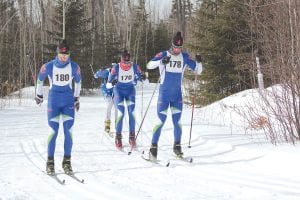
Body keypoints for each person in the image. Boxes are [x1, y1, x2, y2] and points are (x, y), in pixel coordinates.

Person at [146, 31, 203, 160]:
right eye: (175, 47)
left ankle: (177, 146)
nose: (177, 50)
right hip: (164, 96)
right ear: (171, 45)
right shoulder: (164, 54)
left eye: (179, 48)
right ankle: (153, 148)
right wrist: (161, 62)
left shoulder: (185, 57)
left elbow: (198, 71)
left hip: (177, 96)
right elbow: (149, 65)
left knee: (177, 122)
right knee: (161, 120)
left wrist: (199, 62)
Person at [34, 39, 81, 175]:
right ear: (57, 53)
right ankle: (50, 162)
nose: (63, 57)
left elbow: (78, 83)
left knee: (68, 132)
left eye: (66, 55)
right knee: (53, 132)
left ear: (69, 54)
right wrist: (39, 95)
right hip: (54, 101)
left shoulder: (74, 67)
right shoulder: (48, 66)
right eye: (61, 55)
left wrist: (76, 98)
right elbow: (40, 79)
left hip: (67, 102)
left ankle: (67, 162)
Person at [106, 50, 146, 150]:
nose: (126, 65)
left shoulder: (135, 66)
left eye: (128, 63)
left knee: (131, 112)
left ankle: (132, 137)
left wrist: (142, 76)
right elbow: (108, 84)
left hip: (130, 91)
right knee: (121, 112)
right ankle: (118, 137)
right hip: (119, 91)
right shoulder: (116, 68)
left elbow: (141, 75)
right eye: (124, 63)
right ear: (121, 60)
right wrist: (112, 82)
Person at [94, 64, 117, 135]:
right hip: (106, 91)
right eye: (112, 69)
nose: (113, 70)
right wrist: (101, 70)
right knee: (109, 105)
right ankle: (107, 124)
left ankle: (117, 124)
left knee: (117, 107)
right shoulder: (106, 72)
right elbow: (96, 75)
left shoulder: (118, 72)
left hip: (115, 91)